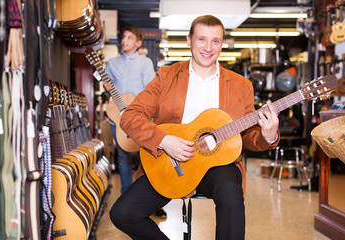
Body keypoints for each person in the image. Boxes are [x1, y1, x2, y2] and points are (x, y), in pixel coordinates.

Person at [109, 15, 280, 239]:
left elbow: (248, 137)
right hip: (169, 161)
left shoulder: (241, 85)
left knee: (230, 192)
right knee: (122, 214)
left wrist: (268, 135)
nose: (208, 48)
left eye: (215, 41)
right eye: (201, 39)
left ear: (222, 44)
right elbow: (130, 116)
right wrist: (164, 140)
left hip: (219, 163)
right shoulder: (166, 76)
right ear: (189, 40)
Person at [104, 26, 167, 219]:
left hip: (140, 117)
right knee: (122, 158)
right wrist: (107, 88)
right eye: (124, 37)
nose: (125, 40)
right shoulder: (111, 63)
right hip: (118, 117)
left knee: (147, 158)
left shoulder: (145, 62)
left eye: (130, 38)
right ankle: (126, 199)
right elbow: (108, 89)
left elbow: (151, 89)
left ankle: (153, 202)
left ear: (138, 43)